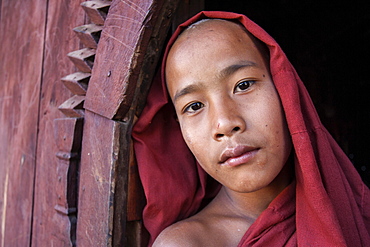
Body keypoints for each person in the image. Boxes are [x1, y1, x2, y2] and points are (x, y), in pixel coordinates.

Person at [132, 11, 370, 246]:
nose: (225, 123)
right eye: (194, 106)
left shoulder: (353, 207)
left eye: (243, 85)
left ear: (285, 89)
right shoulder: (189, 243)